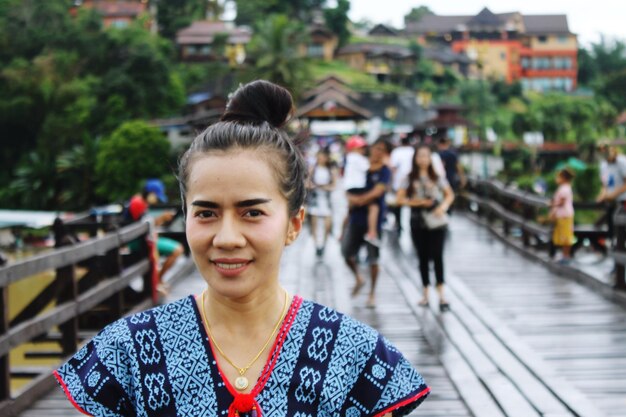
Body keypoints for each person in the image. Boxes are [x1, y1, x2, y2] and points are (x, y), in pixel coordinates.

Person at [53, 80, 430, 417]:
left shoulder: (353, 358)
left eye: (252, 212)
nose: (227, 238)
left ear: (293, 224)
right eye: (206, 213)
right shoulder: (127, 354)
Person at [396, 145, 455, 312]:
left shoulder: (437, 177)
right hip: (417, 220)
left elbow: (450, 194)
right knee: (422, 256)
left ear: (430, 159)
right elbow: (399, 199)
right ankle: (425, 292)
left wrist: (442, 207)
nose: (423, 159)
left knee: (437, 256)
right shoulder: (409, 178)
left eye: (426, 156)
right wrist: (417, 203)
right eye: (420, 156)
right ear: (415, 158)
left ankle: (442, 293)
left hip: (436, 220)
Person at [341, 139, 393, 308]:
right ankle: (358, 277)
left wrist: (360, 200)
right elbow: (347, 187)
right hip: (356, 217)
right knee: (346, 251)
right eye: (376, 148)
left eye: (382, 150)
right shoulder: (361, 166)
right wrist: (352, 199)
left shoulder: (384, 171)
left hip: (375, 221)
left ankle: (372, 293)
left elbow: (378, 191)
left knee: (373, 259)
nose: (377, 152)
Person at [126, 179, 185, 294]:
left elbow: (146, 225)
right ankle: (157, 280)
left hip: (142, 238)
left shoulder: (141, 202)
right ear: (150, 193)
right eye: (156, 196)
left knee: (176, 250)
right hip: (138, 241)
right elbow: (143, 227)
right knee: (177, 250)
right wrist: (162, 218)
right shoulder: (138, 203)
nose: (157, 200)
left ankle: (158, 279)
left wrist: (162, 219)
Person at [342, 135, 381, 246]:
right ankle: (371, 233)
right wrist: (382, 164)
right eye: (360, 148)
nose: (363, 150)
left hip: (351, 187)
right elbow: (369, 167)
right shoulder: (356, 157)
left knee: (351, 209)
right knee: (374, 207)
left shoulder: (350, 157)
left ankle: (342, 234)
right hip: (357, 187)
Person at [306, 148, 337, 257]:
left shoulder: (331, 170)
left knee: (327, 225)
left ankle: (323, 244)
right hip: (315, 201)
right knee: (314, 225)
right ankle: (316, 245)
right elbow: (307, 183)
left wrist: (324, 187)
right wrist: (312, 186)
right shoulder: (313, 169)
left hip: (326, 201)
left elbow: (334, 186)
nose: (321, 159)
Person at [597, 143, 626, 239]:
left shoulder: (622, 162)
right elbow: (605, 184)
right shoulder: (603, 165)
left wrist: (613, 195)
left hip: (623, 201)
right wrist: (602, 195)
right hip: (611, 202)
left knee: (621, 225)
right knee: (611, 225)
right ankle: (612, 245)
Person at [388, 136, 415, 234]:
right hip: (411, 182)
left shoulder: (396, 152)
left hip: (399, 182)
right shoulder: (412, 151)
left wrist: (391, 181)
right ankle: (412, 223)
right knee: (413, 201)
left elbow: (393, 167)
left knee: (398, 204)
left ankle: (399, 223)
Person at [550, 168, 575, 264]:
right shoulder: (564, 187)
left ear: (564, 178)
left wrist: (552, 205)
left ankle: (566, 256)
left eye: (558, 177)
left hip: (565, 215)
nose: (556, 179)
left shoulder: (565, 188)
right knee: (563, 235)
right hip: (562, 215)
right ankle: (564, 255)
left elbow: (562, 202)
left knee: (565, 236)